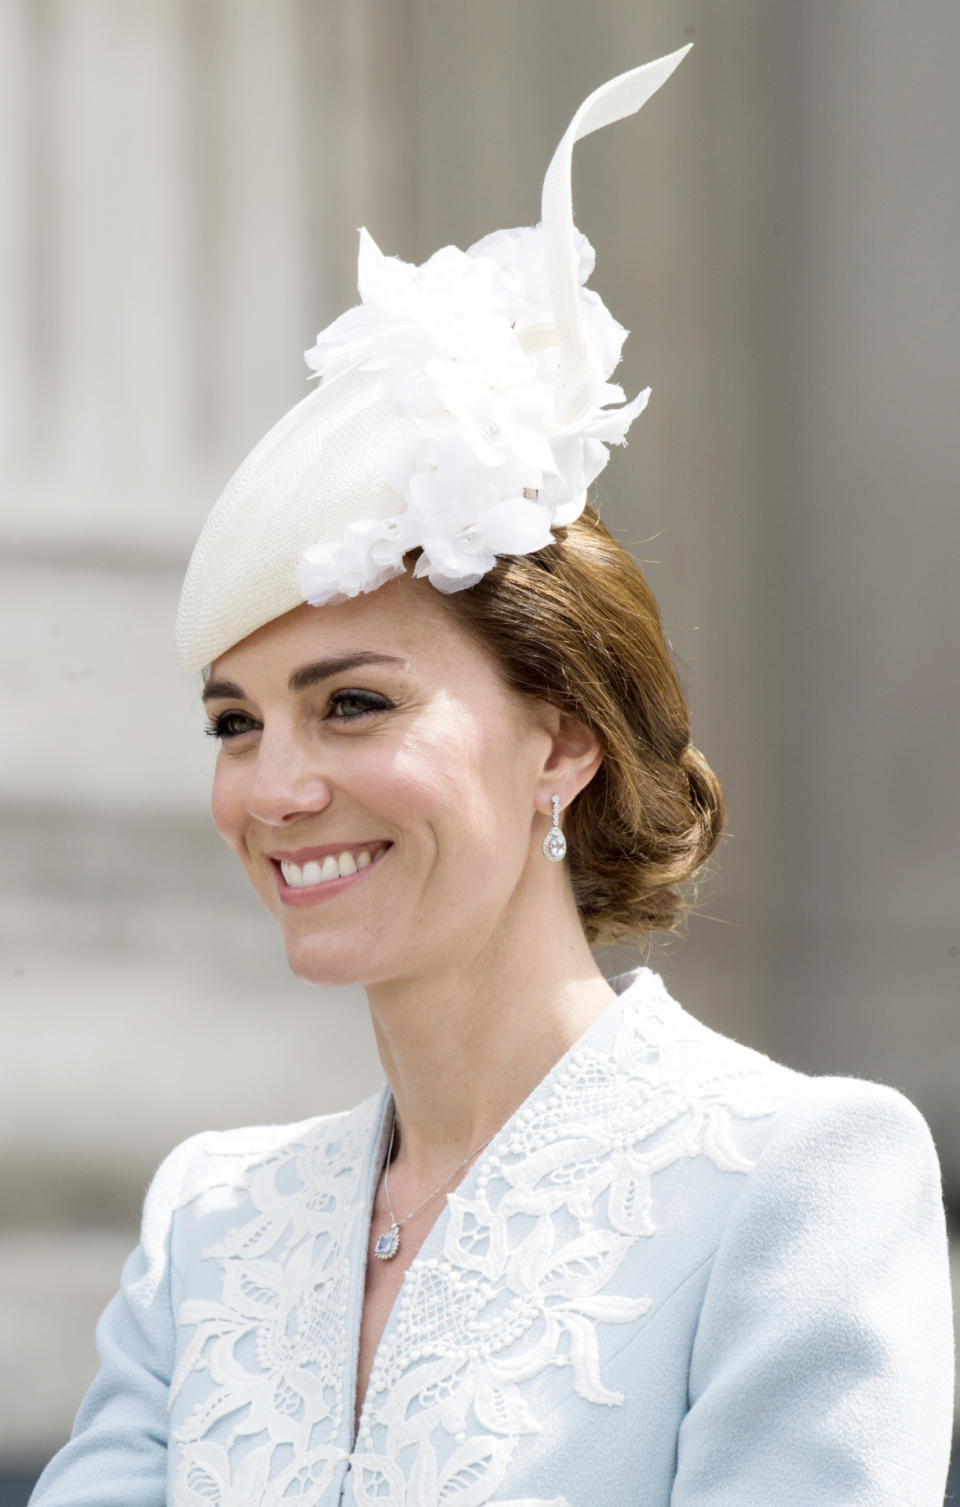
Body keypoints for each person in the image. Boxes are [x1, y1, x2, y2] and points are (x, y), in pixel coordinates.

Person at [29, 46, 953, 1507]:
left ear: (563, 739)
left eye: (353, 707)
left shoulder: (802, 1178)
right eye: (234, 723)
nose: (274, 788)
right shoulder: (211, 1224)